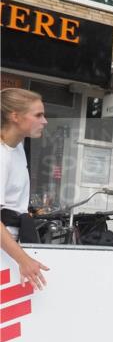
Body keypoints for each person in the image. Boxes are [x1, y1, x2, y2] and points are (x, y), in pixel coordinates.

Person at [1, 88, 49, 290]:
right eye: (38, 115)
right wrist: (24, 260)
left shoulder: (18, 146)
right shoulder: (2, 156)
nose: (44, 121)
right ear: (15, 117)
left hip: (10, 246)